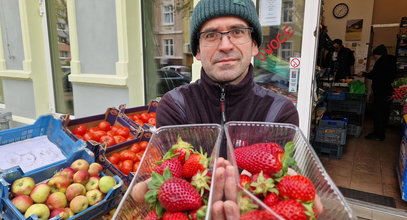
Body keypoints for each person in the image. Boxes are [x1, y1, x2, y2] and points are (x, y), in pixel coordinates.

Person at [356, 44, 397, 141]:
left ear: (378, 54)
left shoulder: (381, 62)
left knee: (378, 113)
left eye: (375, 55)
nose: (374, 57)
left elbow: (375, 75)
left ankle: (378, 135)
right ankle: (381, 133)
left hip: (381, 92)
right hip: (388, 91)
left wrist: (364, 74)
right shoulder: (391, 61)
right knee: (384, 113)